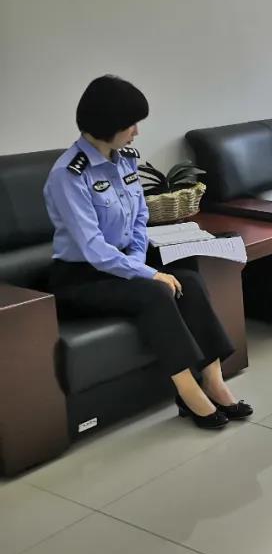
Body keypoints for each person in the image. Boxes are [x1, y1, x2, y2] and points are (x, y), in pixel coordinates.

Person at [45, 75, 251, 430]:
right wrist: (148, 274)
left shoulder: (125, 160)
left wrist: (139, 261)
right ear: (107, 124)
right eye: (130, 124)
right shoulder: (69, 175)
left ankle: (214, 382)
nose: (136, 132)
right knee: (156, 291)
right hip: (81, 278)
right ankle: (189, 394)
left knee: (189, 282)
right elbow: (93, 248)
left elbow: (140, 216)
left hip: (125, 264)